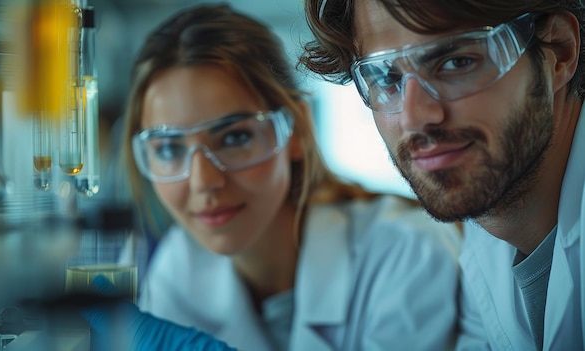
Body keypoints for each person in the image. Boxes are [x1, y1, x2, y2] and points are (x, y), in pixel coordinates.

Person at [86, 3, 463, 351]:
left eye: (235, 137)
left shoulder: (404, 252)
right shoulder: (180, 267)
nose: (203, 182)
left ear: (296, 131)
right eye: (169, 148)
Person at [298, 0, 585, 350]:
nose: (414, 117)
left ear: (559, 51)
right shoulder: (487, 234)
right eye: (386, 77)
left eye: (456, 62)